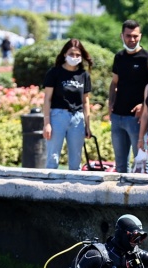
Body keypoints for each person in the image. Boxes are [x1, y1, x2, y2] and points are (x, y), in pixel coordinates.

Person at [108, 20, 148, 173]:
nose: (132, 40)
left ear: (140, 36)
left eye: (135, 36)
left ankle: (147, 194)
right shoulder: (119, 57)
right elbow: (114, 83)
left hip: (137, 119)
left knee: (141, 163)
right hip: (118, 117)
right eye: (128, 36)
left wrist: (144, 106)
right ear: (122, 36)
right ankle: (121, 197)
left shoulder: (147, 58)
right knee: (120, 166)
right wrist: (110, 103)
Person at [42, 39, 92, 170]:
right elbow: (47, 98)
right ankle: (49, 187)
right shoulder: (54, 73)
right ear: (64, 54)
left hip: (77, 118)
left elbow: (85, 101)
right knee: (53, 157)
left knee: (76, 159)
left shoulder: (83, 75)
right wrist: (47, 123)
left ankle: (74, 187)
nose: (74, 57)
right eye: (71, 54)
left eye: (77, 55)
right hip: (58, 116)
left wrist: (88, 125)